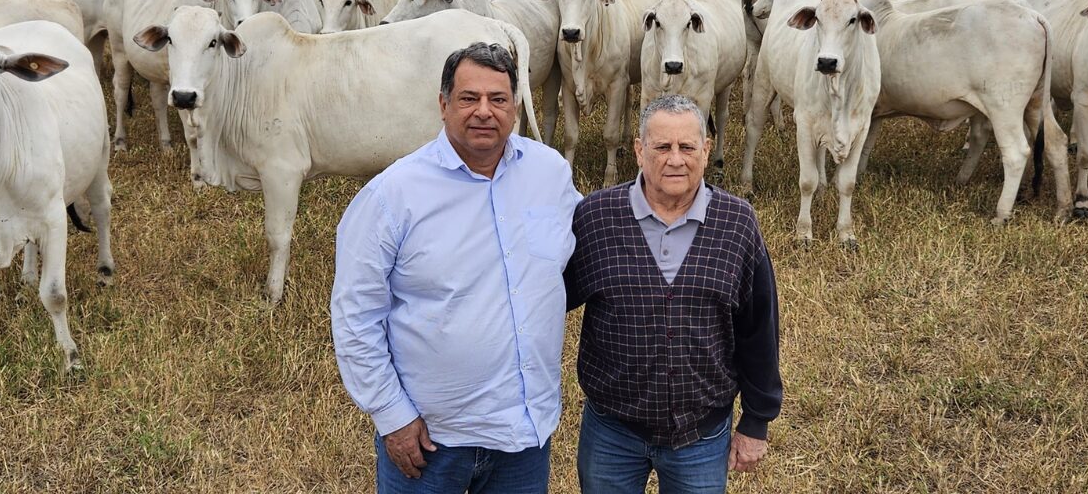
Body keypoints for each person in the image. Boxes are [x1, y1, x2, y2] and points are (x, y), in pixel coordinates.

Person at [332, 42, 581, 493]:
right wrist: (392, 416)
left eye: (498, 99)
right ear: (443, 104)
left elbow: (587, 253)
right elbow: (355, 316)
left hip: (523, 433)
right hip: (431, 440)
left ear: (516, 106)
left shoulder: (550, 174)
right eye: (469, 98)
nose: (484, 111)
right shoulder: (393, 195)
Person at [564, 94, 782, 494]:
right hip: (612, 430)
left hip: (700, 435)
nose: (675, 159)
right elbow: (548, 299)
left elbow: (759, 328)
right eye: (662, 147)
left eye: (687, 147)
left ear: (707, 149)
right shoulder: (595, 217)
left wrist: (756, 421)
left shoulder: (737, 222)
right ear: (638, 150)